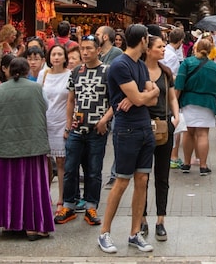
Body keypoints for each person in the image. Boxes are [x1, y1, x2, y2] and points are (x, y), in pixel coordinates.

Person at [98, 24, 160, 254]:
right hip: (127, 130)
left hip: (144, 127)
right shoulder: (120, 65)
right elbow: (144, 96)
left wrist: (141, 97)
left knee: (142, 180)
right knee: (122, 181)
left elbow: (152, 98)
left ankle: (134, 233)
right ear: (143, 40)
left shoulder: (140, 65)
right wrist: (142, 96)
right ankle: (104, 232)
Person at [0, 57, 54, 238]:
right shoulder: (37, 88)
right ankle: (33, 226)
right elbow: (45, 107)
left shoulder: (1, 89)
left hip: (7, 144)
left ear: (8, 71)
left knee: (9, 185)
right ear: (27, 71)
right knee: (33, 186)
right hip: (33, 144)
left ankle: (9, 224)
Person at [55, 35, 113, 225]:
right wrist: (68, 123)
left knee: (94, 170)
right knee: (70, 168)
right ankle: (69, 205)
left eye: (89, 48)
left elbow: (116, 100)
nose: (85, 52)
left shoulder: (108, 71)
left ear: (98, 50)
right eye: (83, 49)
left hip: (98, 130)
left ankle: (91, 207)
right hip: (77, 130)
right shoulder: (76, 72)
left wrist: (104, 120)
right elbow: (71, 100)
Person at [140, 33, 180, 241]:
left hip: (164, 126)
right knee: (143, 176)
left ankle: (161, 220)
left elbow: (172, 96)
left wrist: (176, 116)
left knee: (162, 176)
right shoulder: (137, 70)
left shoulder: (165, 72)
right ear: (148, 49)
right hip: (142, 127)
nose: (164, 50)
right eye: (159, 47)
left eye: (164, 46)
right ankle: (142, 218)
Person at [174, 37, 216, 175]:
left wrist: (174, 103)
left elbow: (179, 84)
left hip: (188, 101)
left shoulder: (188, 63)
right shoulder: (214, 66)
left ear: (196, 48)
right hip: (207, 103)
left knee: (188, 133)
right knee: (203, 134)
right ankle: (203, 166)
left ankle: (187, 163)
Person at [38, 44, 71, 217]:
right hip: (45, 122)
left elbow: (73, 101)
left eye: (59, 54)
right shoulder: (43, 75)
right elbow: (37, 98)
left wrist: (69, 124)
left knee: (61, 162)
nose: (56, 57)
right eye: (53, 54)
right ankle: (45, 196)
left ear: (65, 57)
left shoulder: (70, 75)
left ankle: (61, 199)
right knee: (44, 162)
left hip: (62, 122)